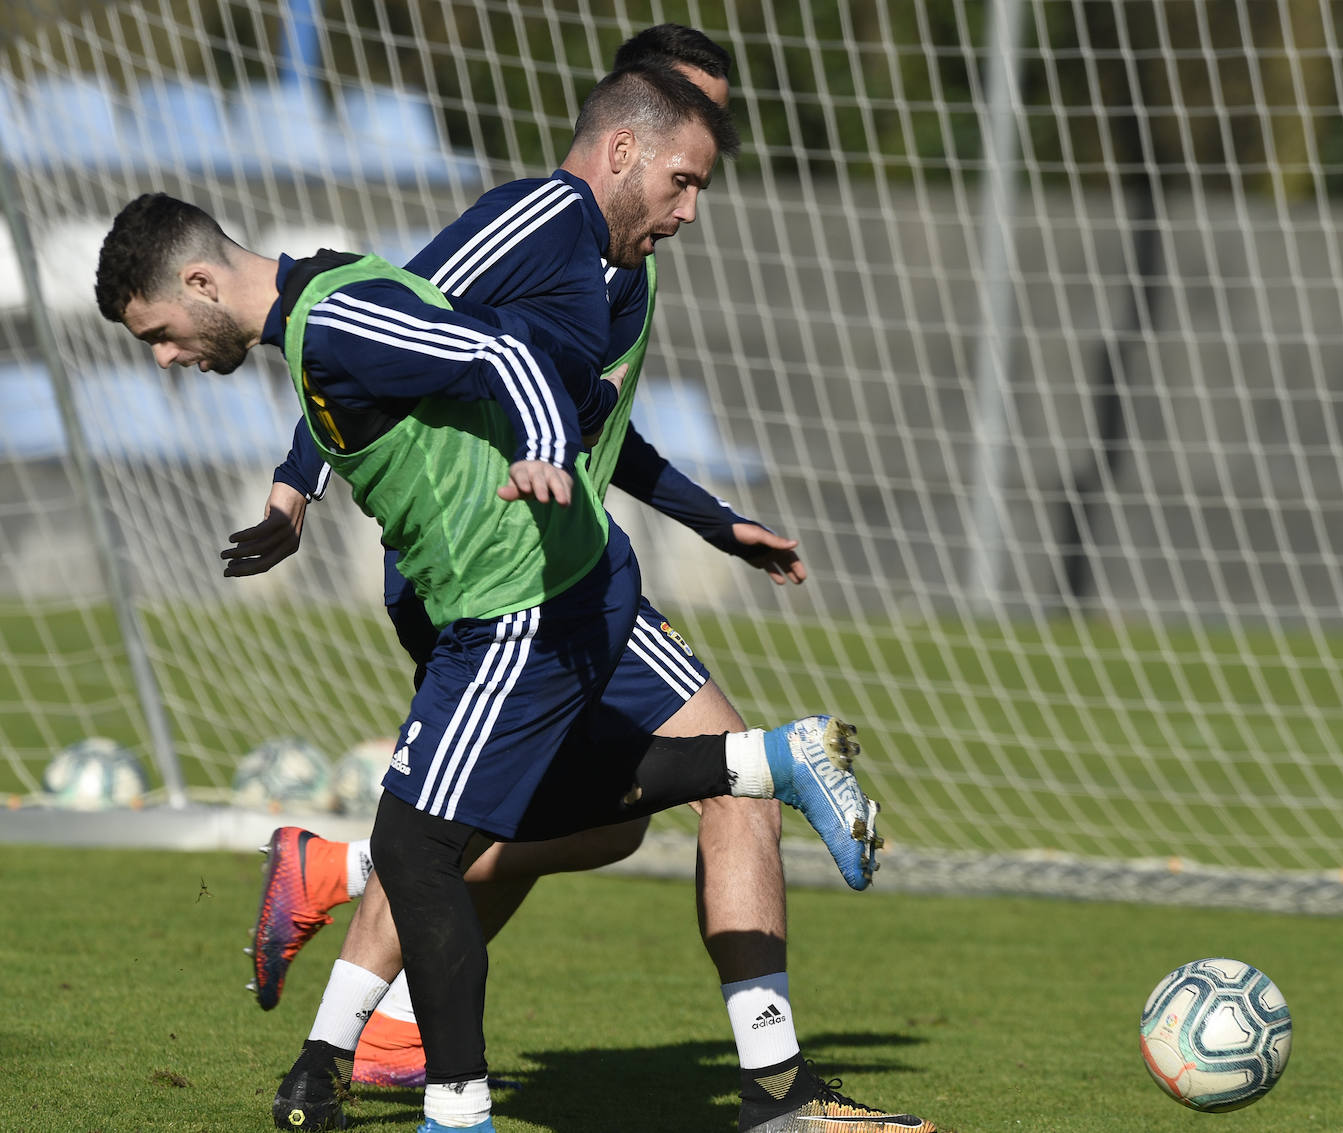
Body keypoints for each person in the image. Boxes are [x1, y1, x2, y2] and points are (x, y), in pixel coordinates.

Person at [92, 83, 893, 1133]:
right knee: (498, 827)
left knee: (430, 835)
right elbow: (413, 329)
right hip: (506, 580)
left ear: (197, 281)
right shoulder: (497, 238)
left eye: (157, 333)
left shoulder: (594, 282)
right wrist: (303, 486)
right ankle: (761, 786)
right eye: (685, 175)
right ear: (626, 145)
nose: (691, 202)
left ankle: (447, 1082)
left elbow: (518, 376)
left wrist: (665, 498)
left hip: (527, 585)